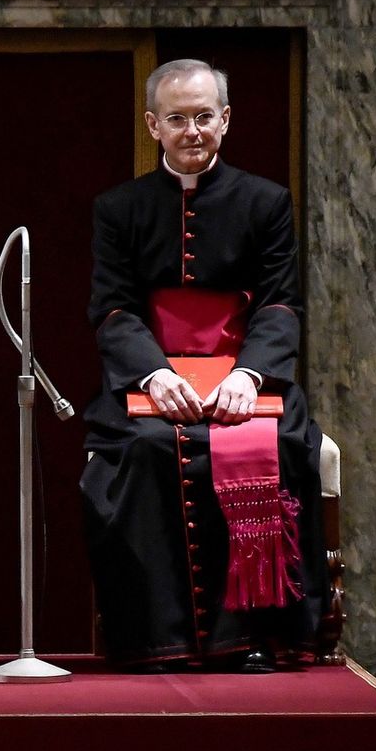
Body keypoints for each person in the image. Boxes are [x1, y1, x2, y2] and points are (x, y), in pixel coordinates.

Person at [81, 59, 326, 674]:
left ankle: (251, 638)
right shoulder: (119, 207)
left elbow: (278, 300)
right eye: (177, 119)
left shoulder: (267, 202)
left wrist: (250, 376)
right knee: (141, 452)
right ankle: (155, 641)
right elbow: (112, 307)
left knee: (270, 446)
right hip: (152, 380)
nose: (192, 131)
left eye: (204, 117)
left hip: (246, 379)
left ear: (226, 119)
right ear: (152, 125)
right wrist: (154, 374)